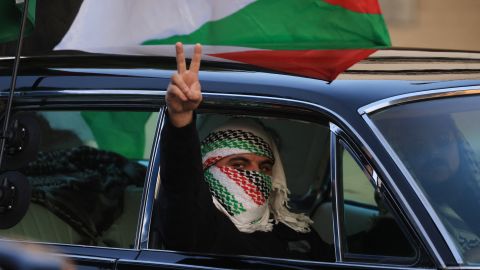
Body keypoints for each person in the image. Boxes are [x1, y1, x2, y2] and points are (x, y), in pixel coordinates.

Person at [158, 42, 333, 260]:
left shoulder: (289, 231)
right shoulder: (197, 227)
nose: (255, 176)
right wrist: (181, 120)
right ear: (207, 167)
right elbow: (181, 183)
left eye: (265, 167)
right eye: (238, 165)